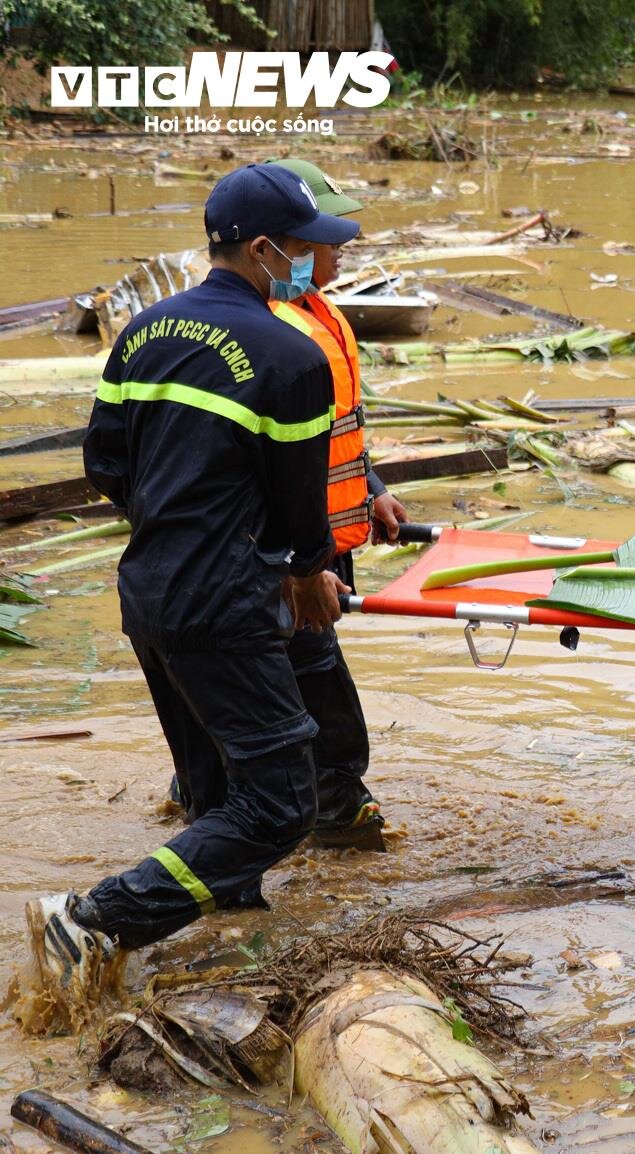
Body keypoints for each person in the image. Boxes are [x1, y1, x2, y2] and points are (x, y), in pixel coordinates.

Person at [24, 164, 359, 1022]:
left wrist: (176, 523)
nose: (312, 262)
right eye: (301, 245)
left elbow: (105, 464)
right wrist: (306, 574)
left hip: (149, 589)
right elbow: (297, 502)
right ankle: (94, 919)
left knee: (216, 787)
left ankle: (228, 950)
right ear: (260, 249)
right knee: (281, 803)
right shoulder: (292, 354)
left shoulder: (142, 333)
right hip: (224, 599)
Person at [162, 157, 408, 851]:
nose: (335, 255)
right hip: (277, 551)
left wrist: (374, 488)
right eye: (319, 245)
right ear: (272, 249)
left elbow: (329, 430)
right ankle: (322, 813)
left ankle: (216, 798)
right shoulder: (254, 330)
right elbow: (238, 462)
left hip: (314, 538)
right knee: (306, 689)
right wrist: (289, 565)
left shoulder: (313, 311)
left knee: (270, 683)